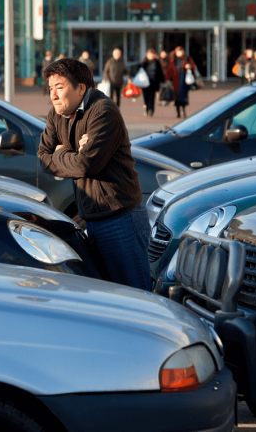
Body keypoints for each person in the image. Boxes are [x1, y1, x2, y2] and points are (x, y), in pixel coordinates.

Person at [38, 58, 150, 290]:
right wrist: (71, 153)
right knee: (107, 296)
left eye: (60, 87)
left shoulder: (103, 111)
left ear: (81, 88)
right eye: (51, 89)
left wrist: (60, 153)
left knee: (135, 295)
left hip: (120, 218)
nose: (54, 95)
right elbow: (43, 158)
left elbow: (86, 165)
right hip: (90, 217)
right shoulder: (56, 114)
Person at [165, 46, 196, 119]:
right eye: (178, 51)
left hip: (184, 80)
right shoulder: (173, 60)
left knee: (184, 96)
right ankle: (178, 112)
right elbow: (169, 69)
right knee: (176, 97)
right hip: (175, 80)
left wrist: (189, 67)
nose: (179, 53)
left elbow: (193, 67)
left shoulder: (187, 58)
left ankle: (184, 111)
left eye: (180, 51)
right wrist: (168, 79)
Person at [139, 48, 165, 117]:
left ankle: (151, 110)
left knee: (152, 97)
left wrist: (163, 80)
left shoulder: (157, 62)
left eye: (152, 54)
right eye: (149, 54)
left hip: (153, 83)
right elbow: (139, 70)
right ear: (147, 55)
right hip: (144, 83)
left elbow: (160, 72)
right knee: (145, 97)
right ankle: (147, 108)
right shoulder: (144, 62)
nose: (150, 56)